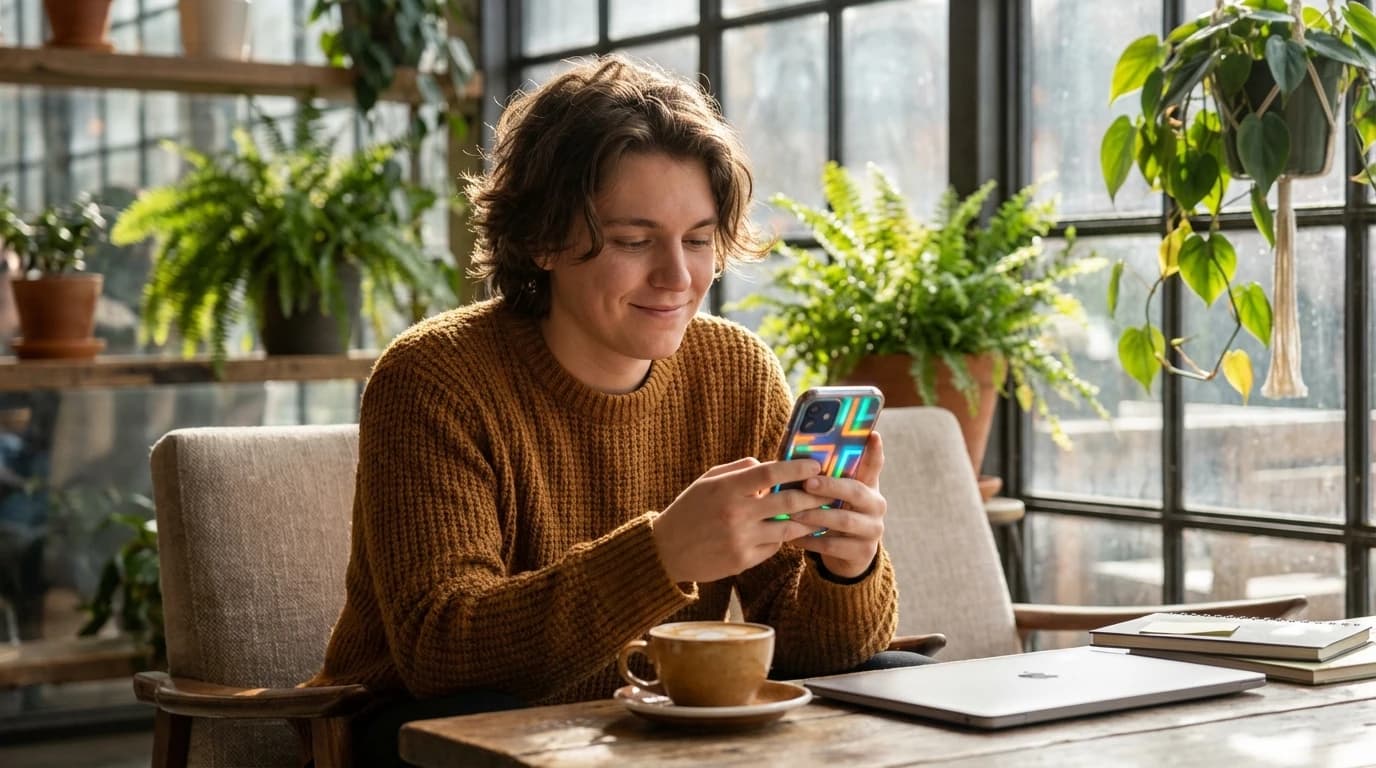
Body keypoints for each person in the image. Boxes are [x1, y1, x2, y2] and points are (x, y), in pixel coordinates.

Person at [306, 54, 911, 765]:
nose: (678, 277)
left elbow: (814, 658)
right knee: (486, 718)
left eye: (697, 239)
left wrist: (848, 568)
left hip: (654, 720)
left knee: (899, 692)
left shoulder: (735, 370)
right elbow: (443, 651)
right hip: (425, 730)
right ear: (541, 240)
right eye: (633, 241)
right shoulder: (435, 377)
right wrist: (661, 556)